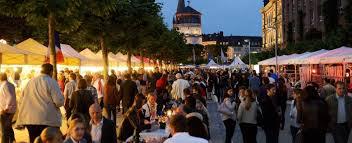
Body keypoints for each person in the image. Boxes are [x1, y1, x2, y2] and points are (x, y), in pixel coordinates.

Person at [16, 64, 64, 143]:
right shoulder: (52, 82)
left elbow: (21, 101)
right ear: (51, 72)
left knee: (34, 140)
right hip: (47, 120)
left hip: (30, 120)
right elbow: (59, 102)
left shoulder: (30, 82)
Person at [0, 73, 16, 143]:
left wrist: (6, 108)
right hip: (10, 110)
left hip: (6, 111)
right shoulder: (10, 84)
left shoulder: (4, 86)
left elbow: (10, 97)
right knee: (8, 127)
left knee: (4, 130)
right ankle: (12, 139)